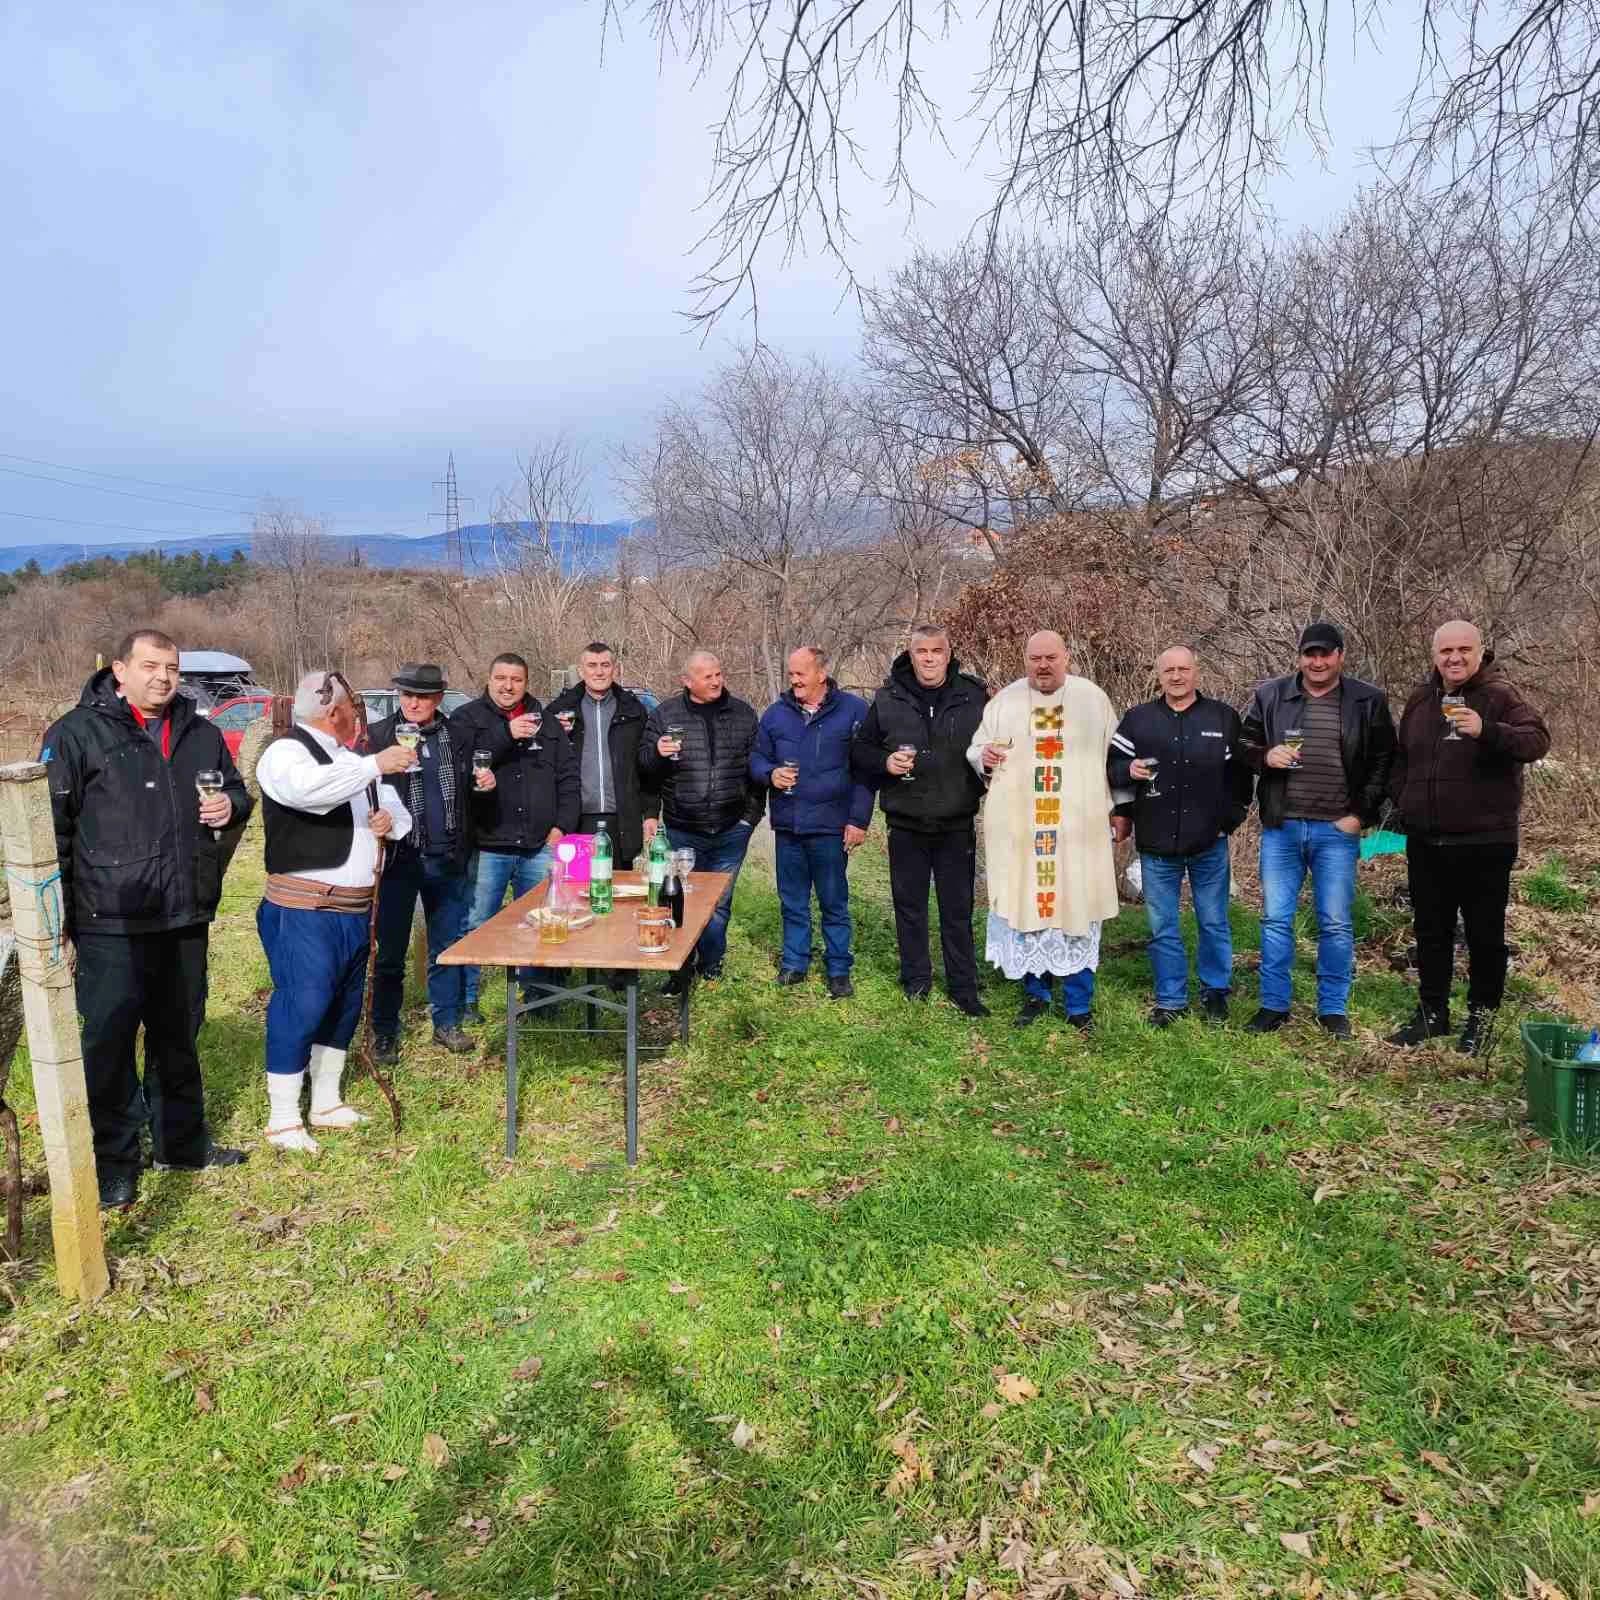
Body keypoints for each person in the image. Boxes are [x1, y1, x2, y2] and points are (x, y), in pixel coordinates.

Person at [42, 628, 253, 1208]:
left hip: (183, 914)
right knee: (108, 1044)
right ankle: (115, 1162)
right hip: (109, 918)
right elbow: (52, 830)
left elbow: (238, 794)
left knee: (179, 1034)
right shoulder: (76, 734)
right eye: (151, 666)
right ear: (120, 669)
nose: (163, 677)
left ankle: (181, 1145)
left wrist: (229, 804)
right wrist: (56, 919)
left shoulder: (201, 733)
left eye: (172, 668)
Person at [255, 671, 414, 1152]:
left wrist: (390, 822)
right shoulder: (285, 754)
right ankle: (283, 1117)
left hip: (354, 910)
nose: (359, 718)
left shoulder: (353, 761)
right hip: (305, 908)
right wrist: (373, 766)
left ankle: (325, 1101)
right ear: (334, 711)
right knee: (303, 1002)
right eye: (355, 708)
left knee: (344, 1004)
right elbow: (309, 792)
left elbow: (397, 813)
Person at [1386, 621, 1550, 1056]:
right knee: (1431, 932)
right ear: (1434, 655)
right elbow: (1403, 758)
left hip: (1484, 841)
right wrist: (1402, 799)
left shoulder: (1500, 695)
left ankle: (1481, 1018)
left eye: (1463, 650)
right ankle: (1432, 1013)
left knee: (1484, 934)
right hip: (1426, 841)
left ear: (1480, 652)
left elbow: (1537, 741)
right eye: (1446, 651)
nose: (1454, 658)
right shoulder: (1422, 699)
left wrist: (1487, 730)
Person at [1241, 622, 1396, 1037]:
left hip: (1336, 831)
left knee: (1335, 922)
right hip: (1283, 827)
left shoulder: (1368, 700)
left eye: (1325, 654)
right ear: (1299, 657)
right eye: (1310, 654)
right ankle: (1273, 1005)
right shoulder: (1271, 695)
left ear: (1341, 656)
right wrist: (1264, 756)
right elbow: (1241, 746)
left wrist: (1361, 815)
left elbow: (1384, 761)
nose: (1317, 661)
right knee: (1275, 920)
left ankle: (1332, 1009)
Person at [967, 631, 1125, 1029]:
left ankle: (1078, 1004)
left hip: (1078, 831)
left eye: (1050, 657)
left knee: (1077, 905)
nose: (1042, 665)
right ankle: (1035, 996)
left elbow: (1119, 758)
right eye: (1035, 658)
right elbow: (977, 748)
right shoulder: (1006, 702)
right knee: (1029, 905)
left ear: (1066, 657)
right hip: (1025, 830)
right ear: (1025, 659)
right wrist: (982, 756)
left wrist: (1122, 808)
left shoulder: (1093, 700)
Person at [1109, 646, 1254, 1026]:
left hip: (1209, 842)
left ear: (1196, 672)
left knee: (1213, 921)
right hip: (1156, 844)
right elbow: (1111, 765)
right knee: (1163, 926)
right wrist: (1129, 772)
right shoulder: (1138, 720)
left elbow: (1241, 776)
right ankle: (1170, 1000)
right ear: (1158, 675)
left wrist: (1230, 819)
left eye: (1184, 669)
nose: (1177, 676)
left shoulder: (1222, 717)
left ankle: (1215, 993)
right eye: (1169, 670)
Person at [852, 624, 990, 1015]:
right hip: (906, 822)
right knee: (909, 907)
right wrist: (884, 762)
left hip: (956, 820)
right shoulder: (888, 697)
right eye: (921, 652)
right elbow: (860, 752)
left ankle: (964, 988)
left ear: (948, 654)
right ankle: (917, 981)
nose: (929, 658)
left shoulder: (973, 696)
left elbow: (993, 745)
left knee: (958, 909)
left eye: (937, 651)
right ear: (910, 655)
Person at [367, 664, 492, 1059]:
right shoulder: (379, 737)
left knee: (446, 944)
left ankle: (447, 1022)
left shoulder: (456, 735)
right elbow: (361, 792)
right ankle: (385, 1030)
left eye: (422, 696)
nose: (413, 703)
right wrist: (376, 820)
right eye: (406, 695)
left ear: (438, 698)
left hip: (447, 856)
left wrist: (483, 786)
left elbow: (472, 787)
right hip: (399, 858)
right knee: (389, 951)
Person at [450, 653, 579, 1022]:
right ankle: (466, 999)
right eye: (501, 678)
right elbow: (463, 764)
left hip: (539, 844)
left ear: (526, 682)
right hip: (487, 844)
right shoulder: (468, 719)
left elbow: (568, 778)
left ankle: (536, 997)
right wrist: (507, 735)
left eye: (516, 679)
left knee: (541, 920)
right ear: (488, 679)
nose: (508, 686)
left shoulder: (547, 722)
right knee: (476, 921)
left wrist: (562, 827)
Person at [751, 645, 873, 999]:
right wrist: (770, 774)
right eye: (791, 674)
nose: (795, 680)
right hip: (789, 826)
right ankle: (794, 964)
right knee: (792, 900)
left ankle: (838, 970)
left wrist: (858, 820)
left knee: (834, 901)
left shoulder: (853, 711)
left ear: (821, 673)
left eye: (800, 673)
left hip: (831, 827)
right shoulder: (776, 715)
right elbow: (757, 757)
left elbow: (865, 771)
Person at [640, 650, 765, 991]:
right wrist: (656, 754)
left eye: (718, 674)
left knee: (719, 904)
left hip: (730, 828)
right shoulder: (665, 715)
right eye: (707, 676)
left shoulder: (742, 714)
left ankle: (711, 967)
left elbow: (757, 770)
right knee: (679, 900)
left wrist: (749, 819)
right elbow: (645, 770)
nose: (716, 681)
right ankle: (679, 971)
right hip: (683, 829)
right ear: (687, 681)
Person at [545, 641, 659, 863]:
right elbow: (543, 767)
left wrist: (651, 812)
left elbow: (646, 766)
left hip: (622, 818)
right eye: (592, 665)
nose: (599, 671)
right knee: (576, 891)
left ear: (614, 668)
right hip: (574, 819)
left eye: (605, 665)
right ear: (581, 670)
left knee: (618, 891)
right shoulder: (558, 712)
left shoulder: (633, 711)